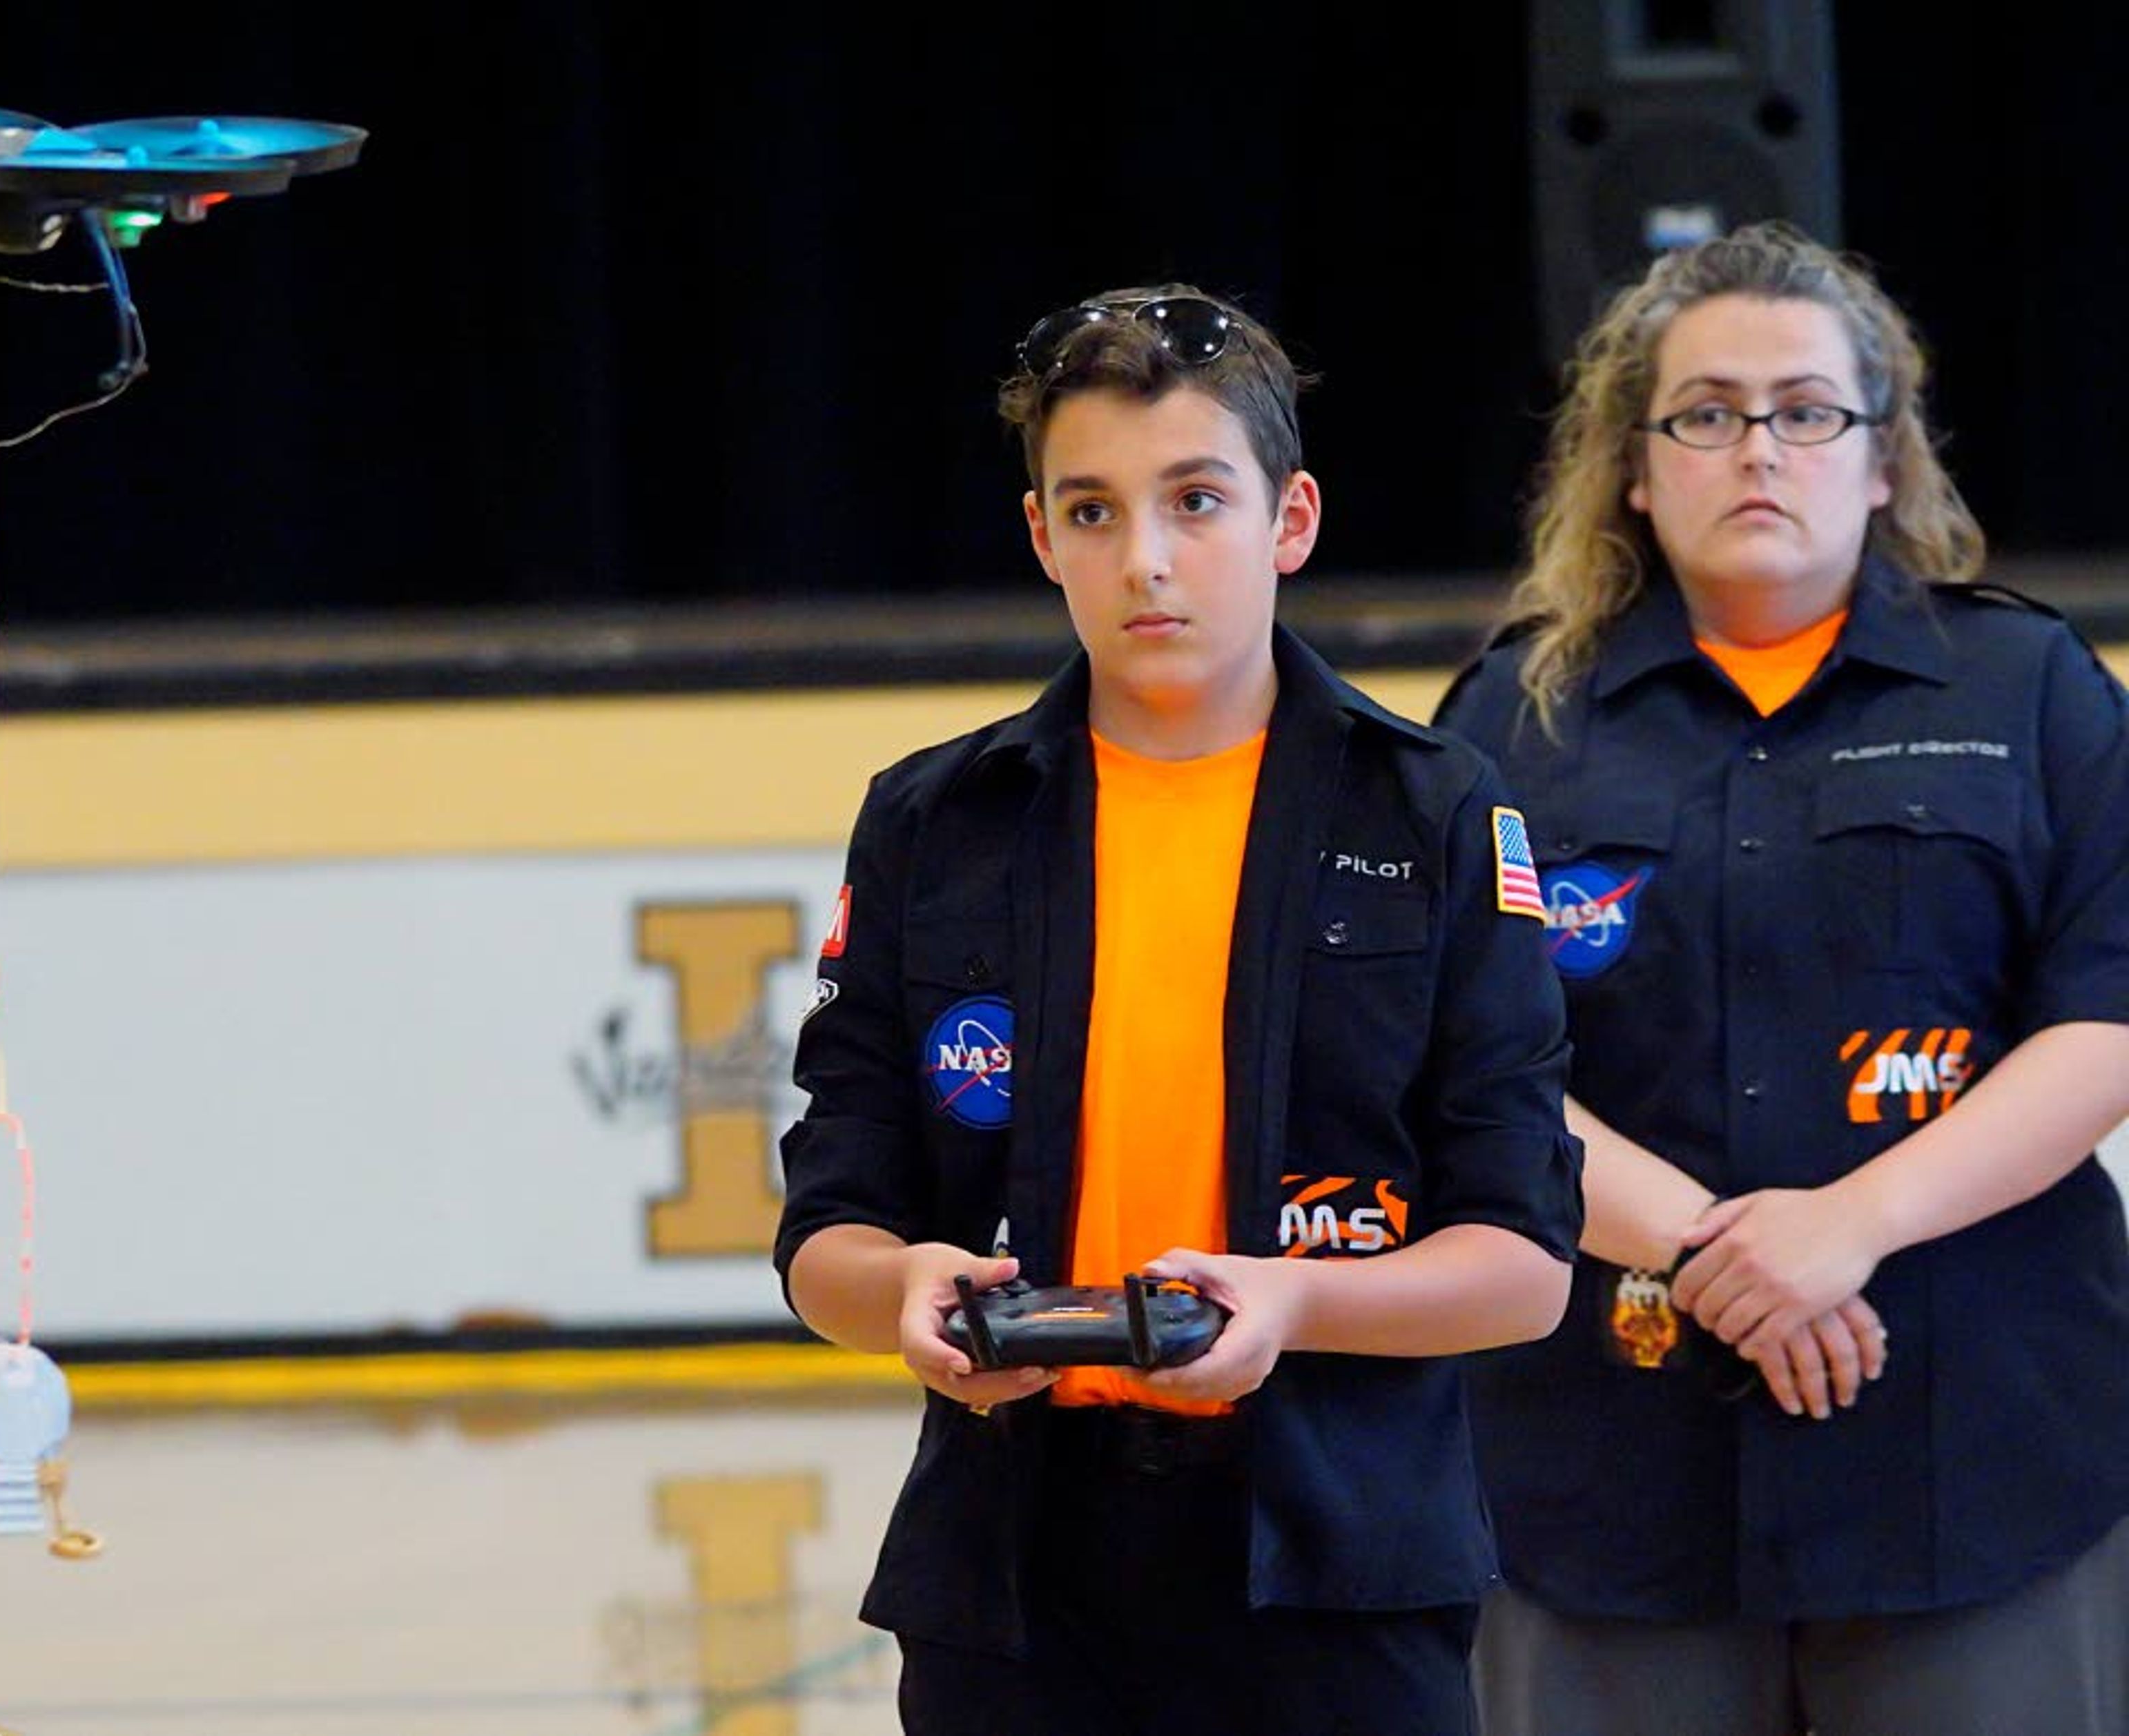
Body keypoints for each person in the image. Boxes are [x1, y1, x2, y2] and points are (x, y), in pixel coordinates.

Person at [773, 285, 1583, 1735]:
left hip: (1340, 1576)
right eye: (1092, 511)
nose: (1145, 559)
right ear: (1040, 538)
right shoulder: (932, 821)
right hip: (1012, 1589)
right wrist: (904, 1291)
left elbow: (1523, 1265)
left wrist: (1297, 1300)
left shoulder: (1439, 810)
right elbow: (827, 1225)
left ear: (1293, 521)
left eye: (1196, 500)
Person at [1437, 222, 2129, 1735]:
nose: (1760, 448)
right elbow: (1466, 1062)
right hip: (1604, 1473)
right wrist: (1718, 1257)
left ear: (1885, 458)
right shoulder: (1510, 718)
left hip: (1979, 1459)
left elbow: (2108, 1022)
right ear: (1634, 463)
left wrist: (1852, 1224)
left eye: (1808, 410)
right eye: (1708, 413)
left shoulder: (2031, 689)